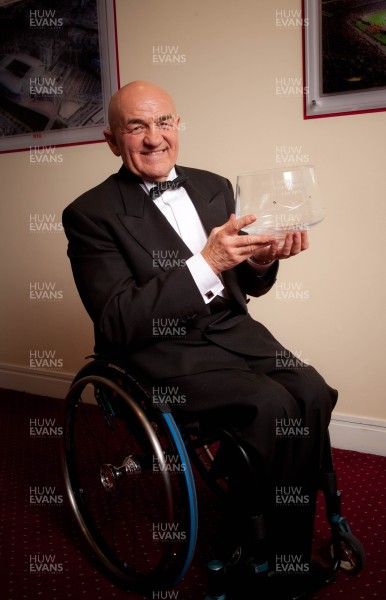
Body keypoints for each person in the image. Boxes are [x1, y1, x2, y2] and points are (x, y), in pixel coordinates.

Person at [62, 80, 338, 599]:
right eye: (136, 126)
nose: (153, 138)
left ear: (178, 126)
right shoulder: (89, 214)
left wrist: (261, 261)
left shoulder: (215, 186)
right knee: (269, 404)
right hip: (158, 350)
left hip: (233, 332)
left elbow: (244, 286)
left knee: (312, 391)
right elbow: (116, 319)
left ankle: (287, 549)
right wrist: (204, 263)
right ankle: (251, 546)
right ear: (111, 139)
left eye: (164, 122)